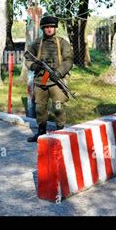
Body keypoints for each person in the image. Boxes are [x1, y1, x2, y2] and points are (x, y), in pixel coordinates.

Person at [25, 14, 74, 142]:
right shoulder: (36, 44)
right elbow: (27, 58)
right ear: (42, 28)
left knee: (58, 106)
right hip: (41, 81)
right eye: (46, 27)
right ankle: (41, 133)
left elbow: (68, 61)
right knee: (40, 108)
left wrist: (58, 72)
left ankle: (60, 133)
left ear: (55, 28)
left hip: (57, 81)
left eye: (52, 27)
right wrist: (34, 66)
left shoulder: (62, 43)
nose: (49, 29)